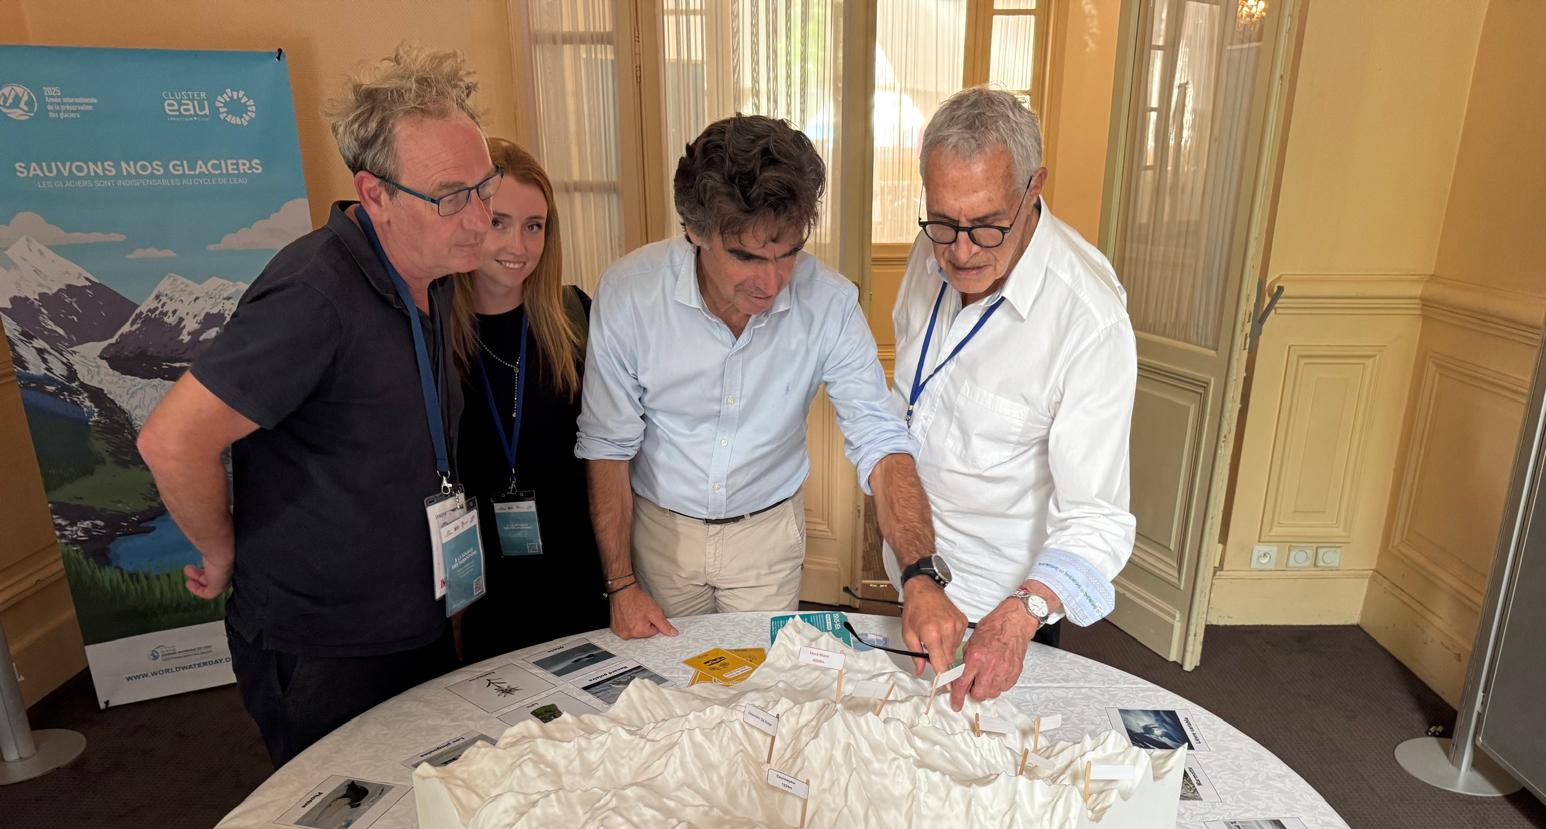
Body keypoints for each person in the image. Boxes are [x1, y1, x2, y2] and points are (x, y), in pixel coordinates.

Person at [137, 47, 498, 766]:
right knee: (347, 819)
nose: (481, 217)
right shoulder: (313, 296)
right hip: (326, 644)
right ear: (375, 194)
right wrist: (222, 551)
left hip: (410, 618)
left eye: (485, 186)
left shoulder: (430, 270)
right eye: (451, 196)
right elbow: (171, 440)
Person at [577, 114, 966, 668]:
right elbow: (607, 445)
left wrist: (920, 574)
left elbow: (880, 439)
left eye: (788, 252)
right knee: (668, 689)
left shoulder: (829, 302)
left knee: (761, 689)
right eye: (746, 256)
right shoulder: (629, 295)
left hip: (767, 537)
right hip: (660, 534)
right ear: (695, 231)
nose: (772, 282)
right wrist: (620, 584)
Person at [889, 87, 1137, 710]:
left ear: (1034, 188)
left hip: (1001, 617)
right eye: (943, 223)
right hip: (916, 580)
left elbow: (1098, 520)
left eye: (986, 226)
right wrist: (915, 569)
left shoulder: (1087, 318)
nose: (960, 251)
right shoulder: (934, 249)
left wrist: (1020, 615)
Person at [449, 137, 606, 662]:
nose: (518, 244)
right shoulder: (433, 338)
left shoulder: (576, 319)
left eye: (534, 226)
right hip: (483, 589)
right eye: (499, 222)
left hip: (577, 573)